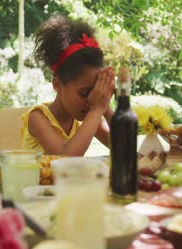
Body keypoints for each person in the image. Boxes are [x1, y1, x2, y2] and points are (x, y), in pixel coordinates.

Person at [22, 14, 115, 156]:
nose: (91, 100)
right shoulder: (38, 118)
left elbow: (124, 146)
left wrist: (105, 105)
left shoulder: (85, 118)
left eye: (95, 91)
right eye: (84, 93)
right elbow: (65, 157)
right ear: (57, 84)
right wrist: (97, 110)